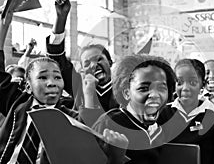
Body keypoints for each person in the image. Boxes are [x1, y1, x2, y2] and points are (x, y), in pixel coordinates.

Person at [0, 57, 128, 164]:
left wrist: (89, 93)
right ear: (28, 86)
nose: (52, 83)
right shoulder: (17, 103)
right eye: (43, 77)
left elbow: (89, 130)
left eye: (57, 77)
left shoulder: (68, 118)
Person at [92, 54, 176, 164]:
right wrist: (115, 159)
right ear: (127, 93)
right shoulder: (109, 123)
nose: (155, 95)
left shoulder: (157, 130)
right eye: (144, 88)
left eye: (161, 88)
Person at [46, 0, 118, 112]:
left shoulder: (125, 90)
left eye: (98, 59)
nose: (94, 65)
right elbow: (57, 59)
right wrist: (61, 17)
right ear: (82, 69)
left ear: (110, 62)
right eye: (87, 63)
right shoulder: (79, 86)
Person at [158, 59, 214, 164]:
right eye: (179, 82)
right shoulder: (163, 114)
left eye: (193, 82)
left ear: (202, 85)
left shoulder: (213, 114)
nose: (185, 88)